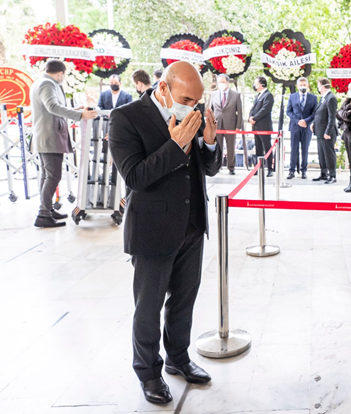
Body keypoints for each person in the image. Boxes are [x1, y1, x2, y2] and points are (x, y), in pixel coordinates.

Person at [108, 61, 221, 404]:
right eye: (186, 99)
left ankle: (178, 358)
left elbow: (208, 168)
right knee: (149, 308)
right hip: (153, 229)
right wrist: (175, 144)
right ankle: (148, 372)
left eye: (197, 101)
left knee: (184, 301)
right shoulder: (126, 118)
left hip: (192, 223)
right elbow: (135, 177)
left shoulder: (194, 113)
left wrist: (210, 143)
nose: (192, 106)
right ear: (163, 88)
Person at [30, 59, 97, 228]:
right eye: (64, 75)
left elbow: (51, 109)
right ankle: (43, 214)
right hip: (49, 137)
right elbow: (52, 107)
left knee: (47, 176)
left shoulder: (40, 82)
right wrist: (80, 115)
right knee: (53, 176)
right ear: (60, 73)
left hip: (46, 136)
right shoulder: (47, 84)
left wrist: (75, 110)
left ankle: (47, 209)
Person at [209, 74, 243, 175]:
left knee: (230, 147)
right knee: (218, 146)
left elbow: (240, 112)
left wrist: (238, 126)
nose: (221, 84)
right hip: (217, 125)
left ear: (228, 83)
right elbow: (210, 110)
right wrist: (210, 125)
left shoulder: (236, 95)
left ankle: (231, 167)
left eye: (223, 82)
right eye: (219, 82)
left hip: (231, 125)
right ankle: (218, 166)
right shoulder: (214, 94)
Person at [286, 77, 317, 179]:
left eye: (304, 85)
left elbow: (315, 112)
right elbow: (288, 111)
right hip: (295, 126)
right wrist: (297, 121)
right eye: (301, 85)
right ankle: (291, 171)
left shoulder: (313, 98)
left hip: (307, 127)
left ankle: (304, 171)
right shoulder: (292, 97)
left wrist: (306, 121)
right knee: (293, 149)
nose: (302, 86)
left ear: (307, 86)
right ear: (297, 86)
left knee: (305, 149)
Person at [311, 77, 338, 184]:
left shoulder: (331, 98)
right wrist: (314, 123)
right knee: (321, 154)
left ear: (322, 87)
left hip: (327, 132)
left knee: (329, 154)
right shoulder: (323, 98)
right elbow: (319, 113)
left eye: (318, 86)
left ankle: (332, 175)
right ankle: (323, 173)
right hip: (319, 131)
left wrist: (328, 132)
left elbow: (332, 117)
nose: (318, 88)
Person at [249, 76, 275, 176]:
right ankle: (258, 168)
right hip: (256, 126)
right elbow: (253, 108)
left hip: (264, 127)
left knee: (267, 147)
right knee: (258, 148)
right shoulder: (258, 96)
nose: (254, 85)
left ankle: (270, 169)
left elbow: (265, 109)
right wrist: (250, 118)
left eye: (256, 83)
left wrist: (255, 118)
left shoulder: (268, 95)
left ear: (260, 85)